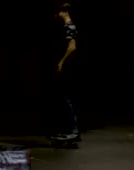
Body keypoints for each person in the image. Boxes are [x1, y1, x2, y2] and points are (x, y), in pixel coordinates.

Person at [52, 2, 81, 141]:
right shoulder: (66, 26)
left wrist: (62, 61)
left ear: (64, 12)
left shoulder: (69, 26)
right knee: (63, 97)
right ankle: (68, 129)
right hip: (67, 65)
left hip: (68, 65)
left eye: (58, 12)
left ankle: (73, 130)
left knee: (66, 97)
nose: (57, 15)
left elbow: (72, 47)